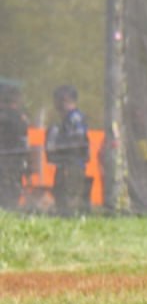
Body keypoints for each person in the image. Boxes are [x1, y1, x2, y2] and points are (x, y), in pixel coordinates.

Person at [45, 84, 91, 215]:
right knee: (60, 194)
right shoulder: (66, 120)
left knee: (70, 196)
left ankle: (71, 218)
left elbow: (76, 142)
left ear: (66, 100)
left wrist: (58, 142)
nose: (55, 104)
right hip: (65, 164)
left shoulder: (75, 118)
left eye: (58, 100)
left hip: (72, 165)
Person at [0, 83, 30, 210]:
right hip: (15, 162)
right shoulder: (20, 117)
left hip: (7, 161)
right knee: (12, 189)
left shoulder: (8, 117)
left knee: (7, 189)